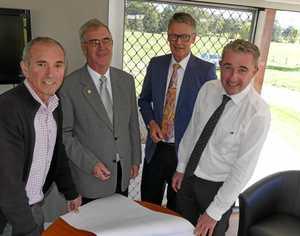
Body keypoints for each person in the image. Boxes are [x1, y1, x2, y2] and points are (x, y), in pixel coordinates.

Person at [172, 39, 271, 236]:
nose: (233, 77)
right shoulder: (208, 89)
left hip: (218, 188)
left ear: (255, 71)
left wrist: (214, 212)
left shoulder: (258, 113)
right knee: (181, 229)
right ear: (220, 65)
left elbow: (243, 170)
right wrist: (181, 168)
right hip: (189, 176)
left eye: (242, 69)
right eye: (227, 67)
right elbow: (192, 132)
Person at [0, 37, 81, 236]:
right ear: (25, 68)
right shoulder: (8, 108)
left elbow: (56, 149)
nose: (50, 74)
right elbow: (7, 182)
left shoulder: (54, 103)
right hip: (10, 215)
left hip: (34, 206)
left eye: (58, 65)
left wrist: (70, 191)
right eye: (41, 64)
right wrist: (28, 229)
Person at [138, 12, 217, 211]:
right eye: (173, 36)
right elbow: (144, 100)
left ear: (194, 38)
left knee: (177, 208)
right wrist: (152, 123)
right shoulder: (156, 64)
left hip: (184, 154)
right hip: (156, 149)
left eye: (185, 37)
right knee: (148, 205)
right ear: (167, 35)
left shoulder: (206, 70)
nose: (178, 42)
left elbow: (210, 115)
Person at [59, 18, 141, 205]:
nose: (102, 47)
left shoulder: (126, 80)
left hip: (122, 173)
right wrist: (91, 164)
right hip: (90, 176)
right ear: (83, 47)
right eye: (94, 42)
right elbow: (65, 135)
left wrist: (135, 159)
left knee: (118, 227)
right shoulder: (68, 86)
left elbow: (132, 124)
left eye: (106, 41)